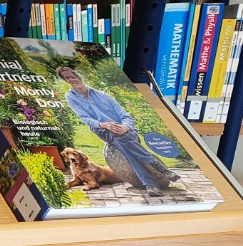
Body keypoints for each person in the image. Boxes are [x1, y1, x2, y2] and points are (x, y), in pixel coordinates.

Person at [55, 66, 179, 197]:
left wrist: (125, 126)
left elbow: (126, 116)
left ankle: (151, 184)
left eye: (72, 76)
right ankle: (158, 168)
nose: (72, 79)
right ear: (65, 81)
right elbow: (84, 118)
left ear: (78, 76)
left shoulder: (103, 95)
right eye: (67, 78)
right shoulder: (70, 96)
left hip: (125, 132)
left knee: (122, 141)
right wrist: (104, 124)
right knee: (120, 138)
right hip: (103, 130)